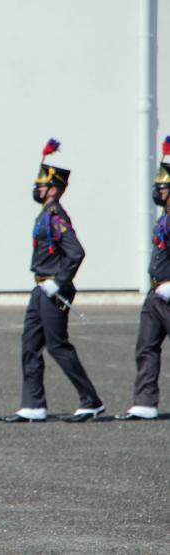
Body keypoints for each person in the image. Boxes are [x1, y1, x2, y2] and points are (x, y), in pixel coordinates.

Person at [4, 139, 104, 423]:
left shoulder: (56, 215)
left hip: (54, 290)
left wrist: (59, 282)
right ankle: (33, 404)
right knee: (29, 344)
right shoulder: (44, 215)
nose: (38, 189)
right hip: (41, 287)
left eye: (43, 185)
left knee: (58, 346)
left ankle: (91, 400)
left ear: (55, 189)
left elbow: (76, 252)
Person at [117, 136, 170, 421]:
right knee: (146, 347)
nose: (158, 191)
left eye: (163, 187)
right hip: (155, 294)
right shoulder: (164, 218)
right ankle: (145, 401)